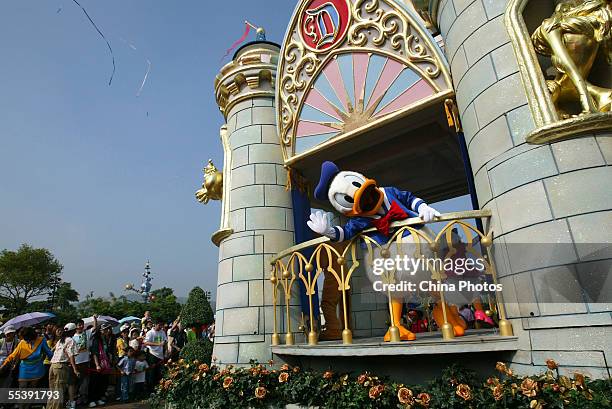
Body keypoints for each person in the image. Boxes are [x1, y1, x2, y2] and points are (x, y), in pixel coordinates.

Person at [0, 326, 53, 408]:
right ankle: (21, 406)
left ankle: (27, 406)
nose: (25, 340)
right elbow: (13, 355)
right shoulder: (22, 342)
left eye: (26, 338)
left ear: (31, 336)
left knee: (32, 389)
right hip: (24, 368)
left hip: (37, 368)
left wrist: (54, 361)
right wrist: (3, 365)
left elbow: (49, 353)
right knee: (22, 388)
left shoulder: (41, 340)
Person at [47, 327, 79, 409]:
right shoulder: (70, 340)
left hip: (52, 366)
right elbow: (71, 355)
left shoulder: (60, 340)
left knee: (53, 391)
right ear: (73, 331)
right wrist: (75, 369)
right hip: (60, 366)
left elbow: (52, 350)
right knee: (59, 391)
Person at [72, 316, 97, 406]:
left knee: (85, 381)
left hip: (86, 361)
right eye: (79, 325)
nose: (81, 326)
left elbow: (95, 327)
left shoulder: (87, 333)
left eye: (82, 324)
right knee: (76, 382)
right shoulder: (72, 337)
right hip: (76, 362)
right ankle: (75, 399)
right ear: (76, 326)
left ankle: (84, 398)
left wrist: (95, 319)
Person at [89, 324, 114, 407]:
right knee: (94, 382)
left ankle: (98, 398)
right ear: (100, 331)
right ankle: (91, 399)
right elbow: (95, 353)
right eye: (104, 329)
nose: (107, 331)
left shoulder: (104, 339)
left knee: (101, 382)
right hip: (96, 364)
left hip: (104, 363)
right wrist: (97, 365)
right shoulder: (96, 340)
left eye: (107, 329)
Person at [143, 320, 166, 388]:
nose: (160, 327)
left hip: (160, 354)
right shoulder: (150, 332)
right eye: (159, 325)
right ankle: (150, 389)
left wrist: (165, 346)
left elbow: (165, 340)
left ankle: (158, 388)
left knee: (159, 373)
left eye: (161, 325)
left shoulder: (162, 332)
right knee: (151, 373)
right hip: (152, 354)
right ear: (155, 324)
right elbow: (146, 342)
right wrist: (158, 344)